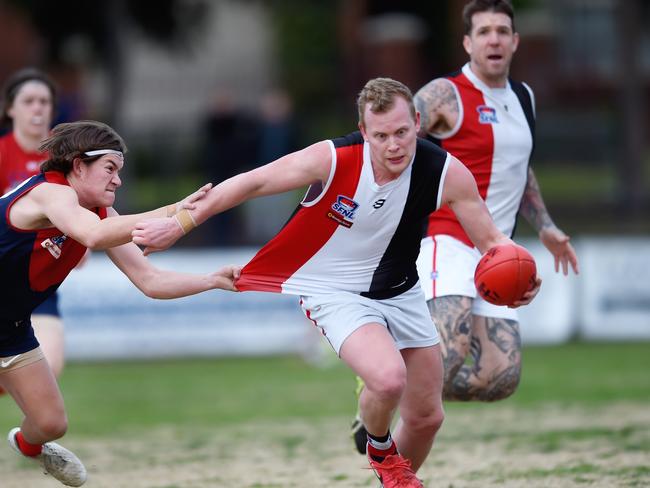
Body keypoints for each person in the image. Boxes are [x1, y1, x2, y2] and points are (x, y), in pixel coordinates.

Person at [132, 77, 541, 487]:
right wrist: (179, 224)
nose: (394, 145)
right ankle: (380, 450)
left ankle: (386, 455)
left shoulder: (445, 172)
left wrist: (518, 272)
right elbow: (252, 182)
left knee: (427, 417)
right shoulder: (334, 158)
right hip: (332, 290)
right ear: (365, 132)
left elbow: (491, 241)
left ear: (418, 122)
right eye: (381, 136)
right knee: (388, 379)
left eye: (401, 132)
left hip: (401, 291)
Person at [347, 0, 580, 454]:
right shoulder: (444, 96)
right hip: (446, 238)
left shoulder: (524, 98)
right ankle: (383, 412)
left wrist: (546, 226)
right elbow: (386, 137)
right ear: (468, 43)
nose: (494, 39)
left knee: (500, 378)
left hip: (498, 251)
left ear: (514, 42)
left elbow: (520, 169)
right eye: (484, 31)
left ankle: (387, 386)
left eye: (502, 31)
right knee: (446, 356)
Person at [0, 120, 239, 487]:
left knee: (51, 424)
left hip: (10, 330)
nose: (118, 181)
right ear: (79, 165)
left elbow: (151, 281)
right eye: (110, 169)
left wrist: (212, 281)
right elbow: (91, 236)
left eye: (119, 171)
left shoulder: (100, 216)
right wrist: (173, 209)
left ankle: (27, 446)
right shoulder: (52, 193)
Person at [0, 68, 68, 391]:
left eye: (44, 101)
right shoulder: (1, 153)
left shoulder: (65, 159)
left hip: (36, 280)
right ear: (10, 108)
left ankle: (28, 434)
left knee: (51, 367)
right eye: (29, 101)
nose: (37, 108)